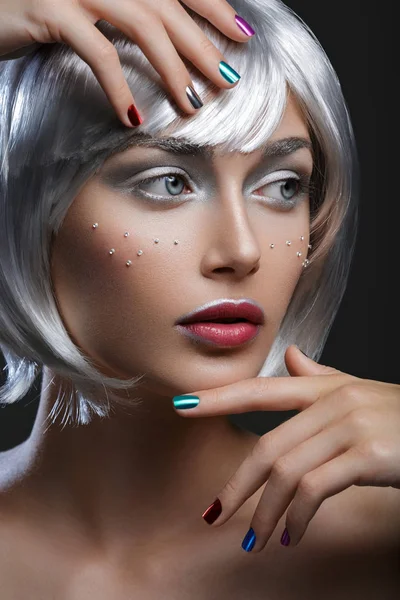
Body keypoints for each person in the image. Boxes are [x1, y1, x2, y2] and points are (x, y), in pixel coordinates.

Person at [0, 0, 399, 597]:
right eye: (168, 182)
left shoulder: (381, 541)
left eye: (282, 185)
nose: (243, 251)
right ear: (28, 207)